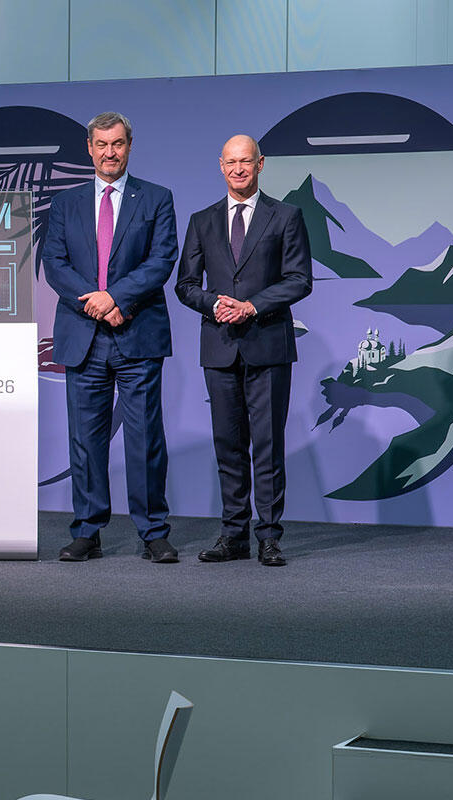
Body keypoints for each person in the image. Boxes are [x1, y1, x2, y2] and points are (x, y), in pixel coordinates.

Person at [41, 112, 180, 563]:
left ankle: (153, 532)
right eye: (101, 144)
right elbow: (56, 264)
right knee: (85, 440)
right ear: (89, 148)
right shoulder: (66, 204)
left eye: (117, 143)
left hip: (136, 332)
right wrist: (93, 301)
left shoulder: (156, 198)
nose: (109, 152)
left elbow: (161, 260)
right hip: (84, 334)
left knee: (144, 440)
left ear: (129, 145)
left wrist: (116, 298)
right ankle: (87, 530)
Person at [175, 134, 312, 567]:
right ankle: (233, 535)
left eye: (246, 162)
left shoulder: (287, 216)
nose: (238, 169)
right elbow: (185, 285)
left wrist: (252, 306)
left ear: (260, 164)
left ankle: (269, 537)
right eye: (231, 162)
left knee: (268, 447)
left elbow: (299, 279)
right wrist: (215, 304)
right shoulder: (202, 220)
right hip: (219, 348)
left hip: (268, 345)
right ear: (220, 165)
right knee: (228, 446)